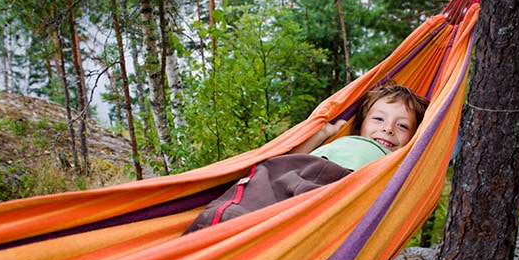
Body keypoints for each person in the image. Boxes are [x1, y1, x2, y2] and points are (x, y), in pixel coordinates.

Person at [183, 80, 429, 234]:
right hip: (298, 170)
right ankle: (220, 224)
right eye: (379, 119)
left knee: (287, 221)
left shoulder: (397, 158)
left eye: (403, 126)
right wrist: (323, 132)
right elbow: (291, 157)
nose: (388, 129)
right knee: (255, 190)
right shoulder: (343, 141)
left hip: (341, 187)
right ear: (360, 126)